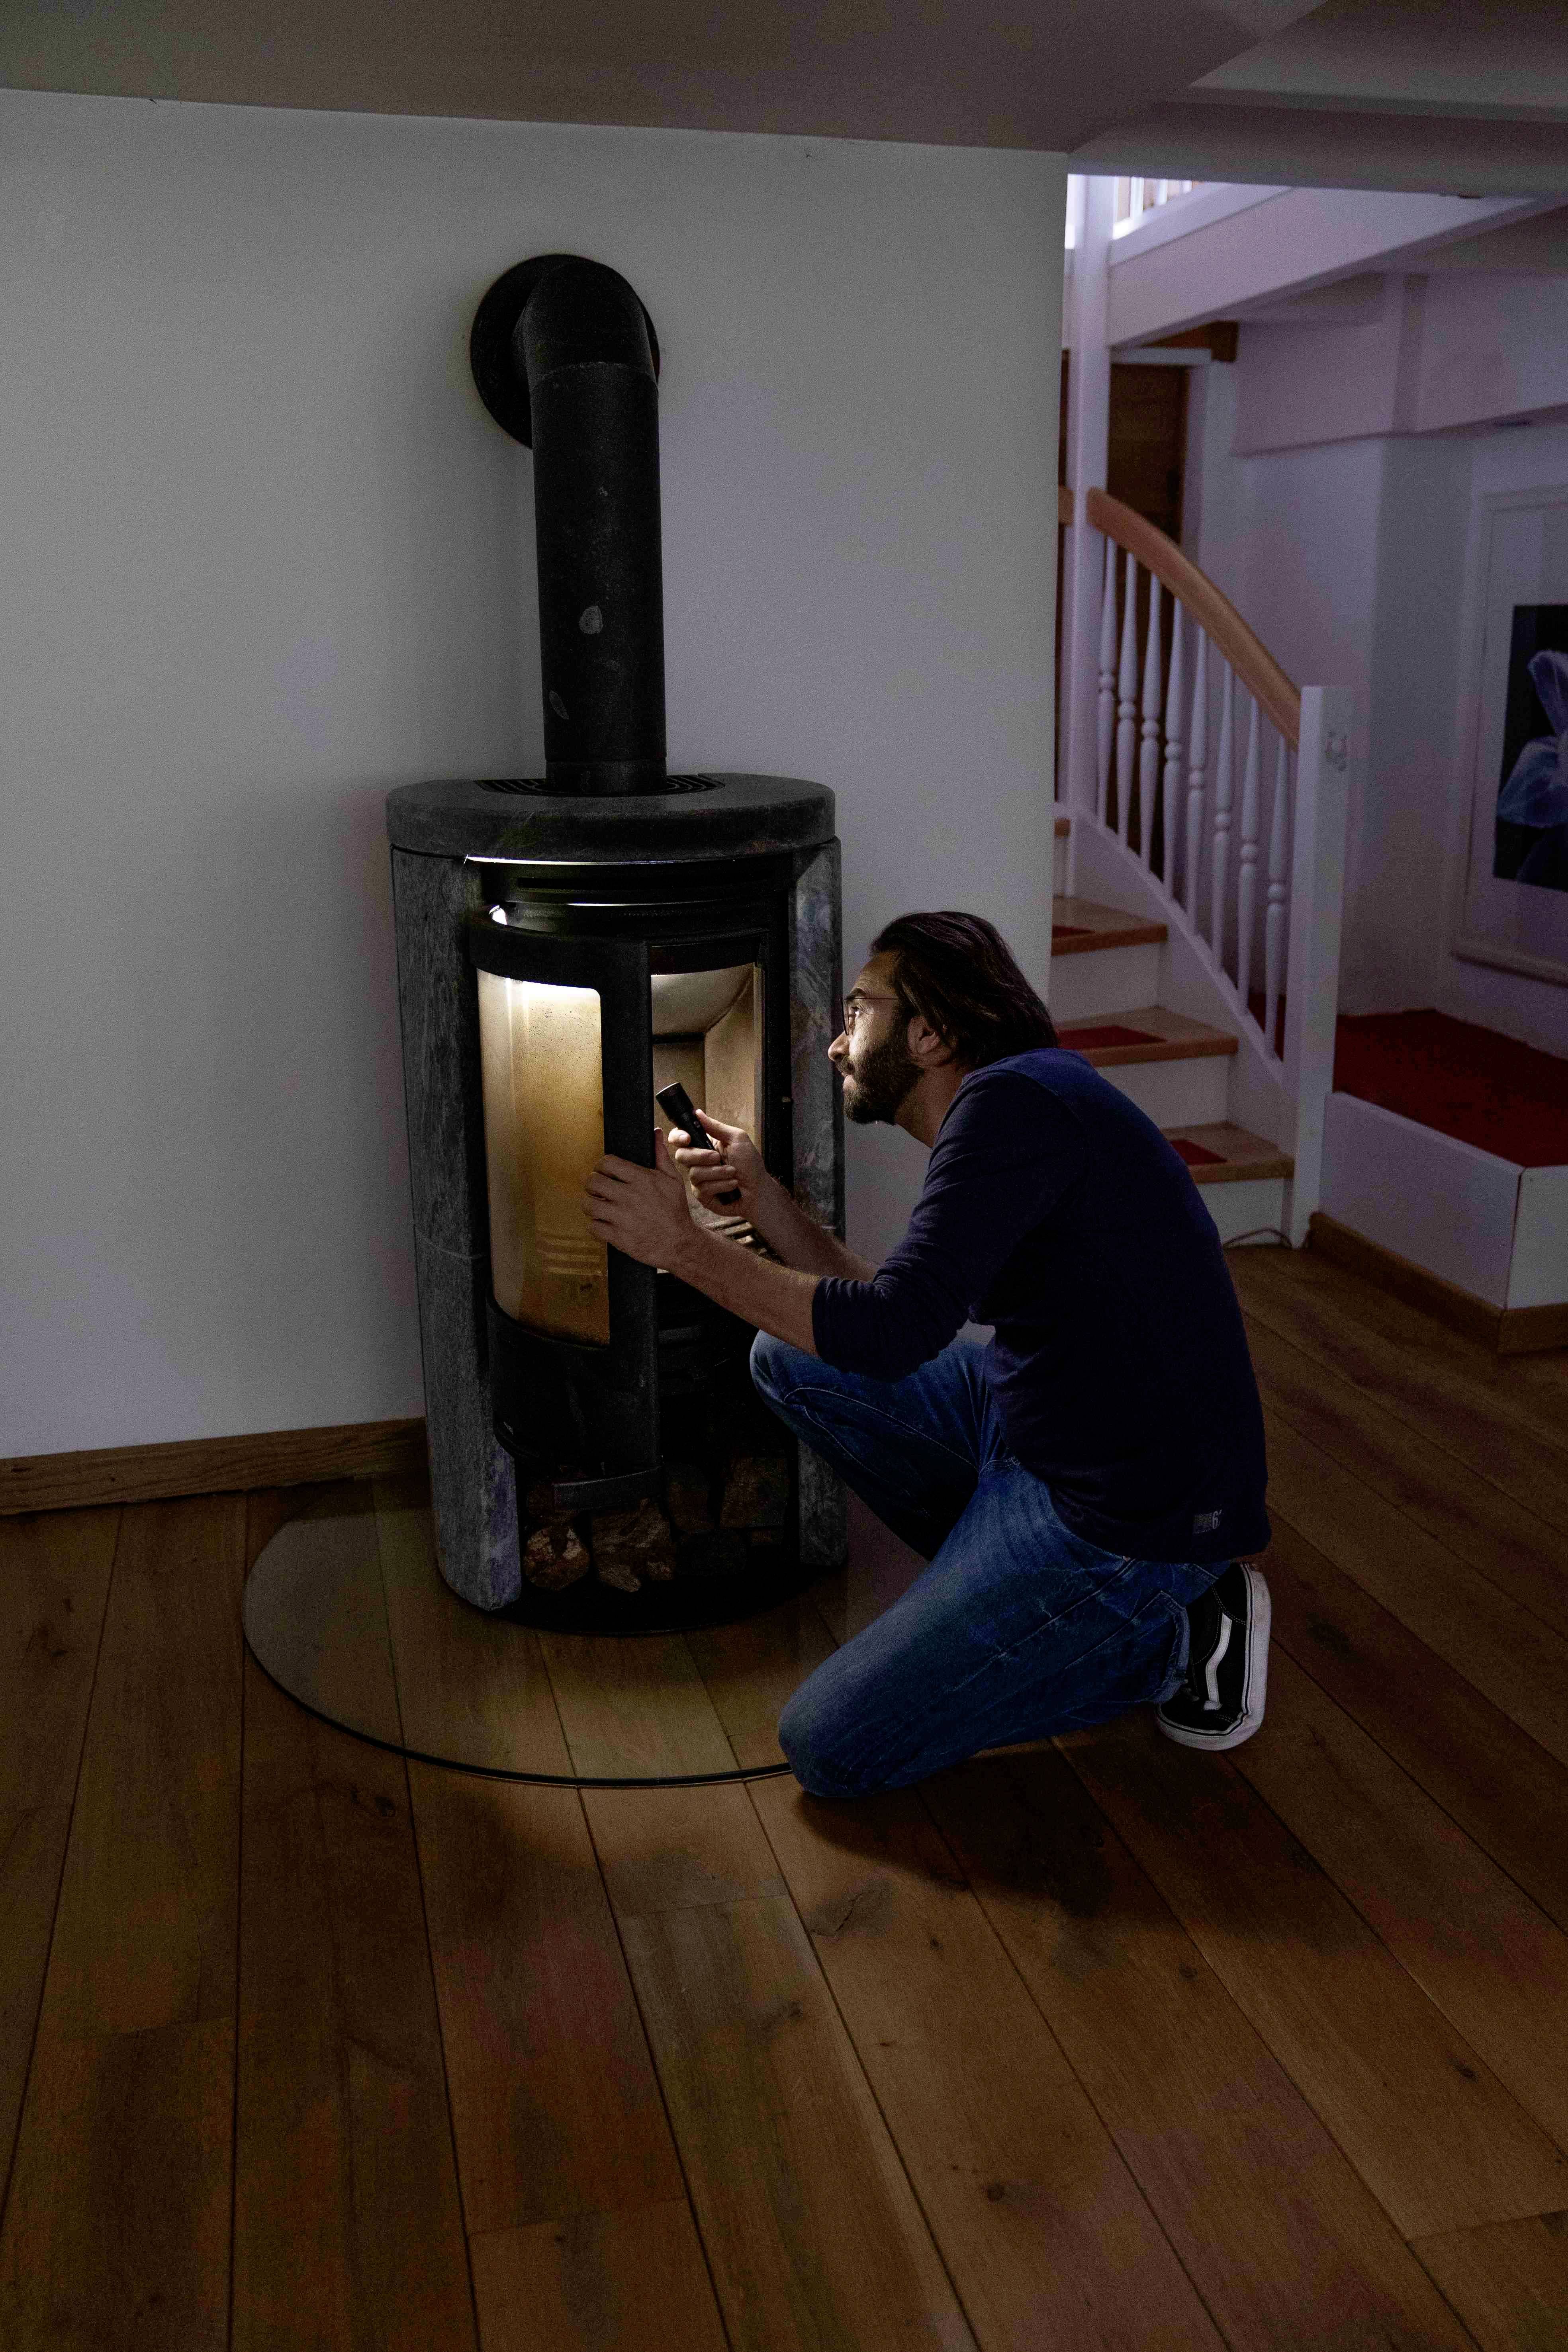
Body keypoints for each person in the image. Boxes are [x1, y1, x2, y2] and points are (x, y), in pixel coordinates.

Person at [584, 910, 1271, 1800]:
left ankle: (1175, 1631)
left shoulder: (1008, 1105)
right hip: (1035, 1423)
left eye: (857, 1012)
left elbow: (891, 1333)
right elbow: (898, 1317)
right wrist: (763, 1201)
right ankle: (1012, 1599)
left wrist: (680, 1245)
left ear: (930, 1031)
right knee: (784, 1357)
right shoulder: (1017, 1105)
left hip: (1124, 1513)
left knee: (829, 1745)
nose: (837, 1045)